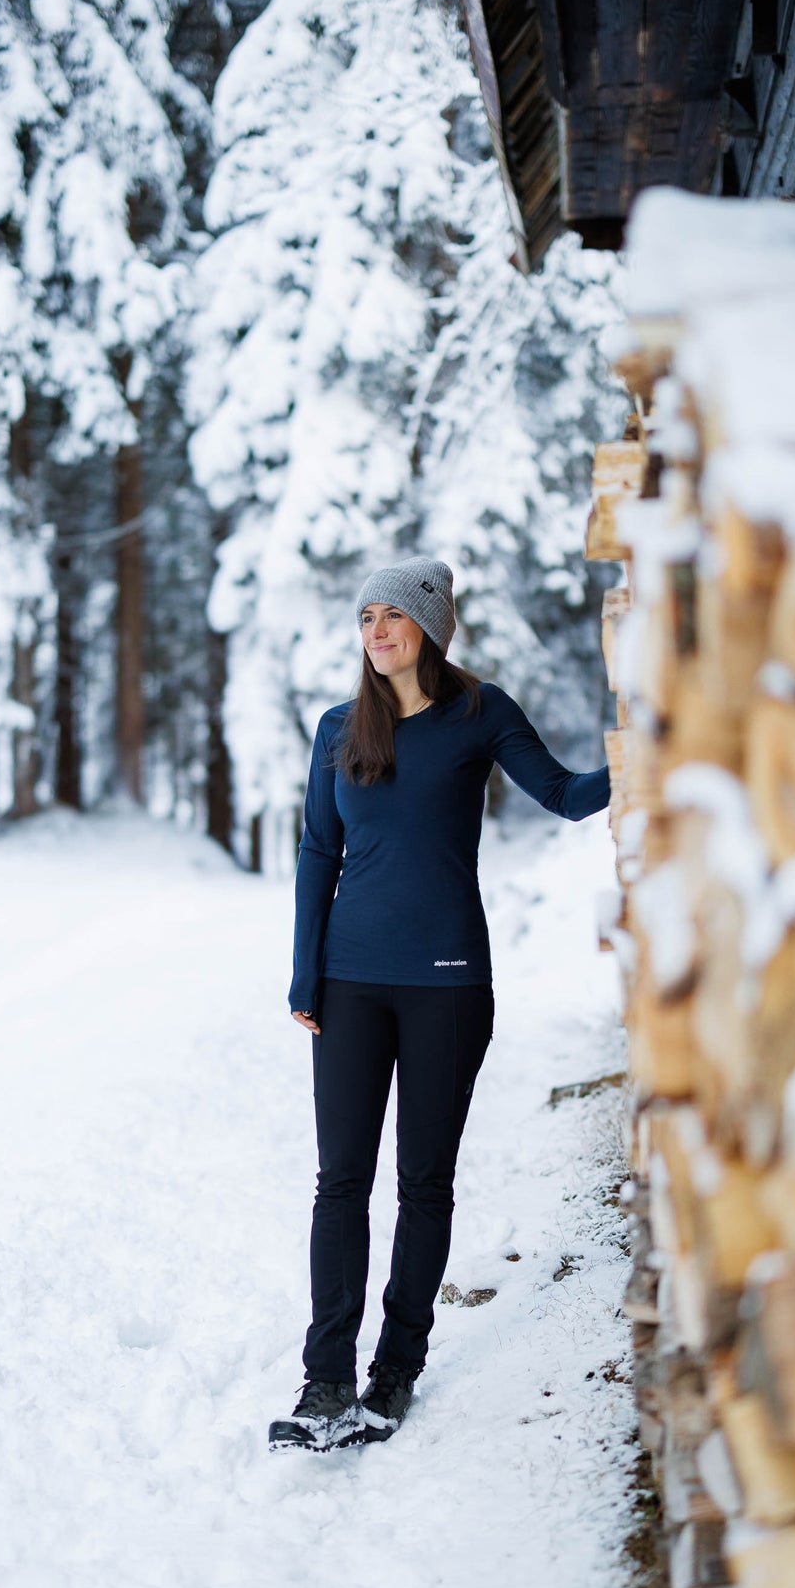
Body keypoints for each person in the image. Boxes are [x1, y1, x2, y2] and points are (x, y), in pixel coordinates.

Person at [268, 559, 610, 1453]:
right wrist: (306, 973)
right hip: (350, 982)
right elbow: (316, 852)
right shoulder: (340, 728)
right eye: (367, 616)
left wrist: (642, 757)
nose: (377, 631)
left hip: (448, 984)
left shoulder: (478, 712)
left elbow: (569, 796)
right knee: (340, 1181)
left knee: (423, 1181)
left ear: (432, 625)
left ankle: (395, 1368)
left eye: (394, 615)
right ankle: (325, 1381)